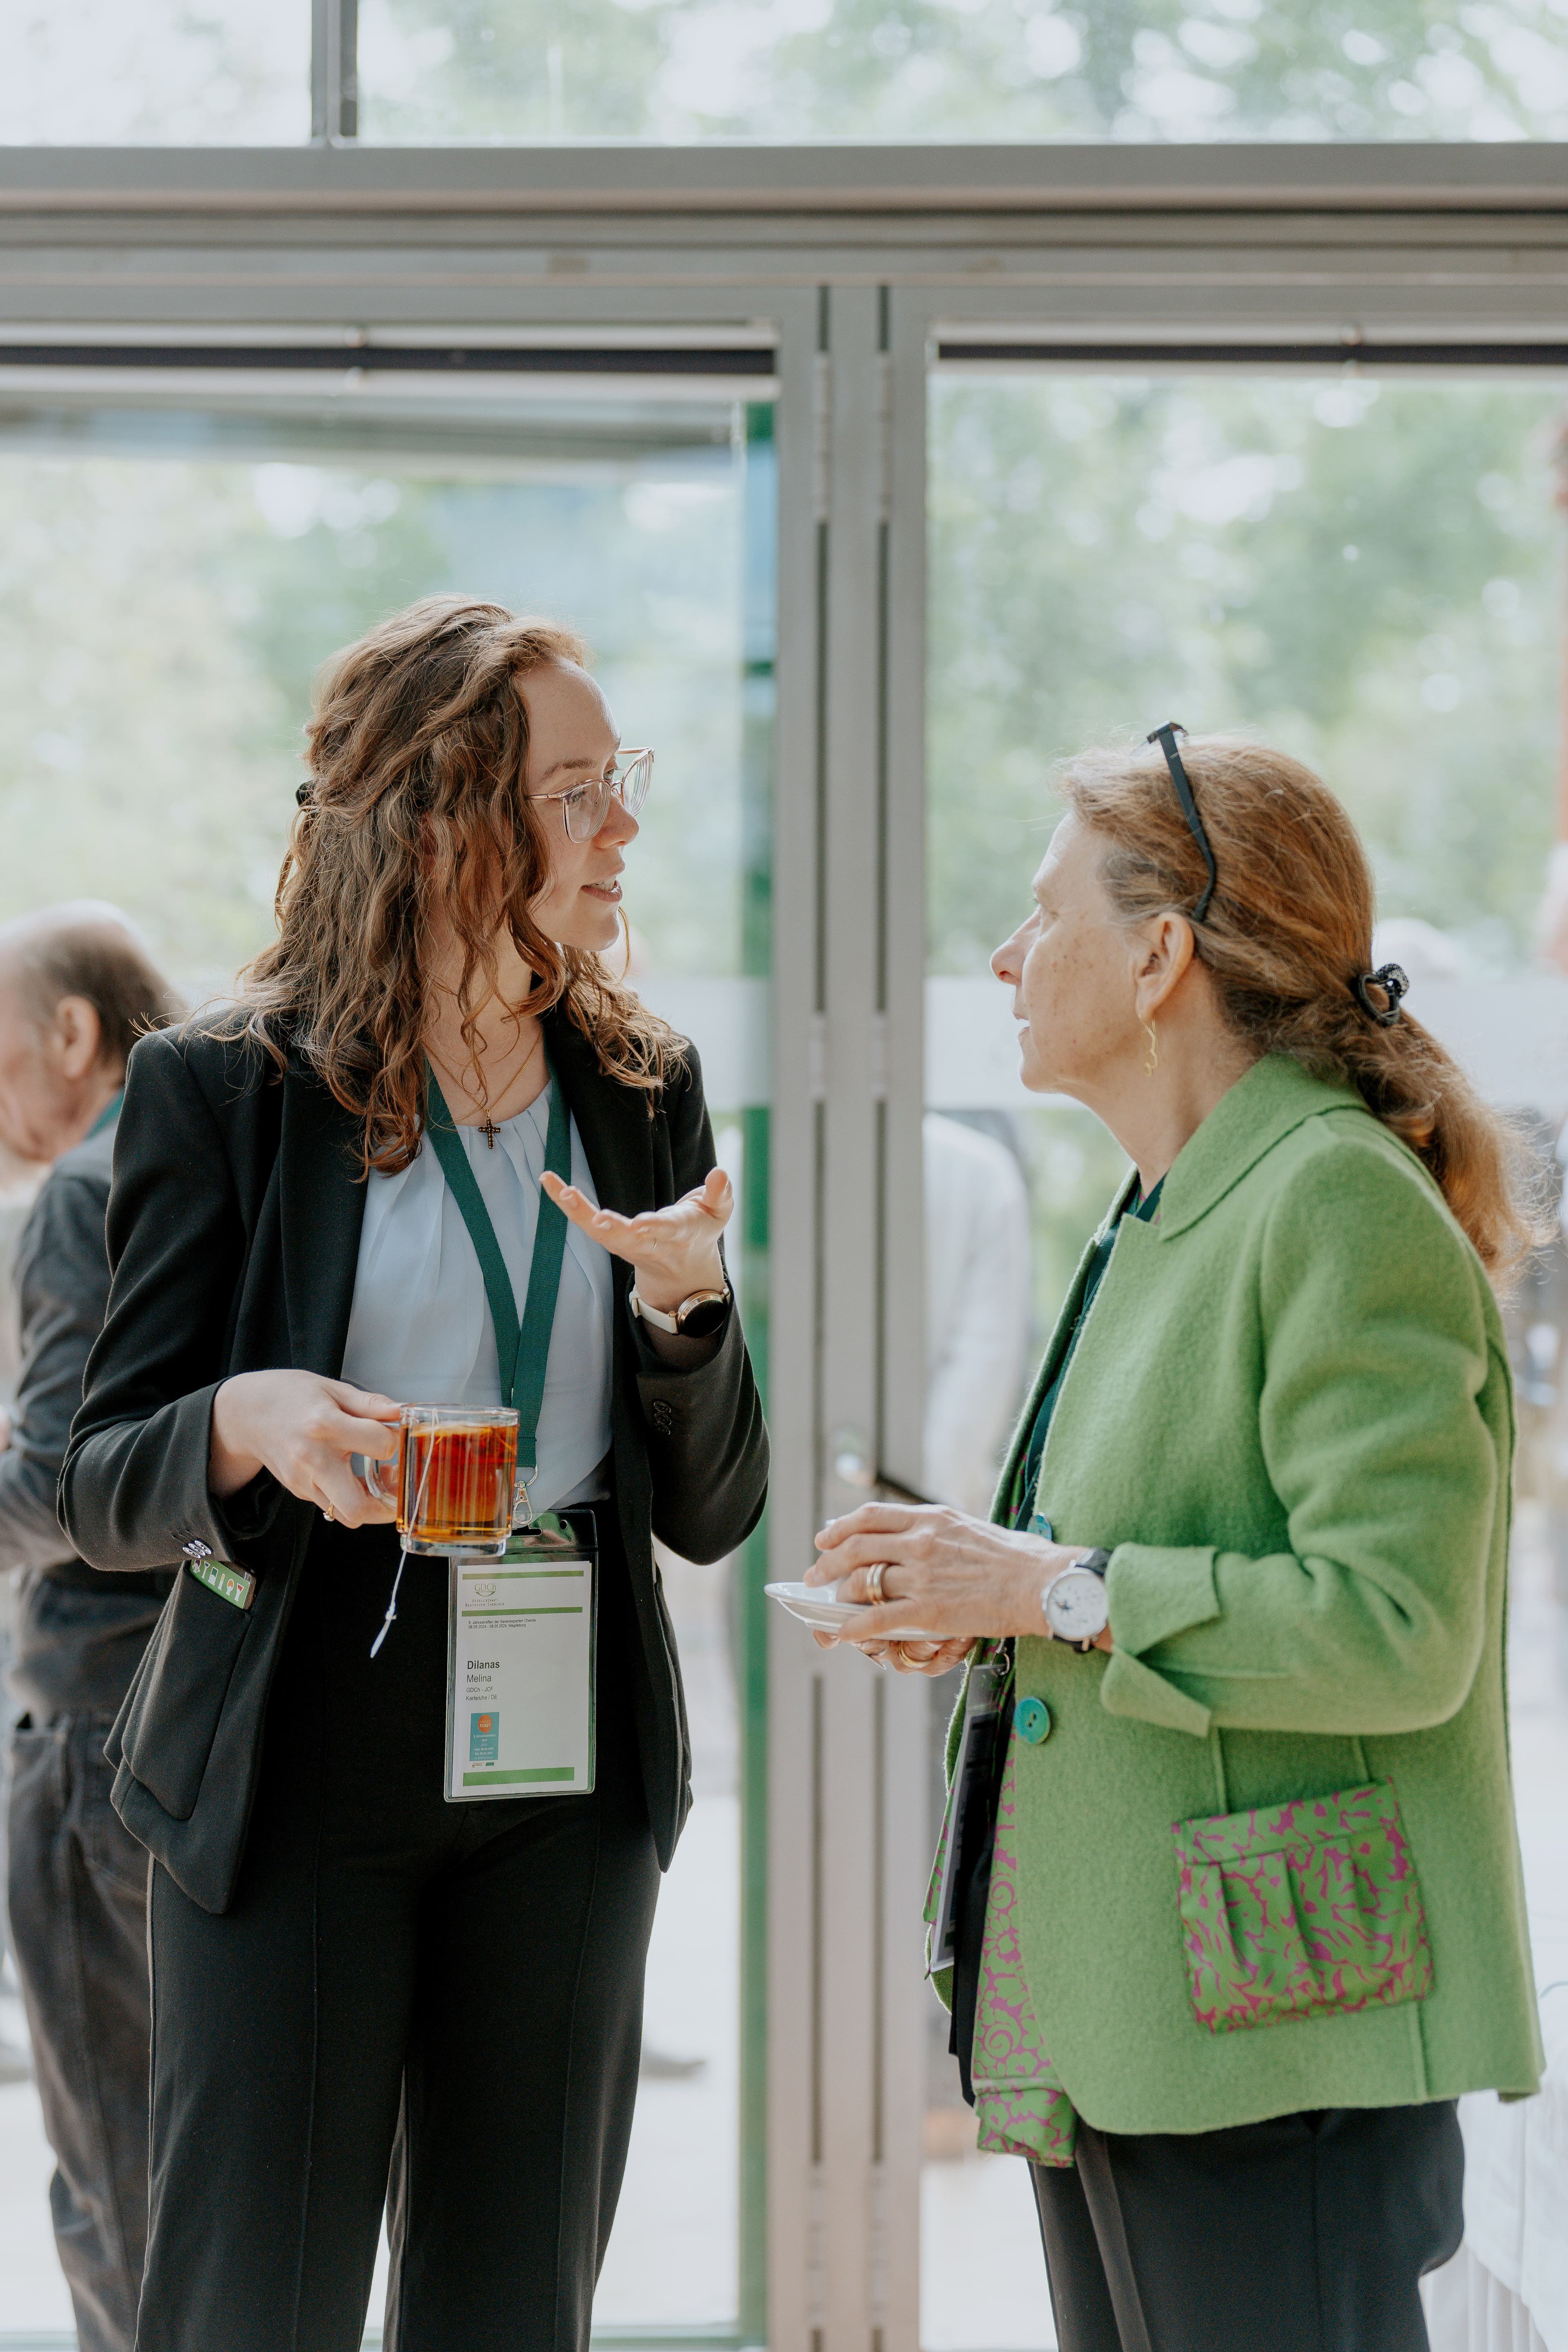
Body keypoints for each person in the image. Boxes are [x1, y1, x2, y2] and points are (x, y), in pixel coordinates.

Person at [59, 597, 769, 2352]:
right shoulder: (222, 1090)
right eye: (578, 790)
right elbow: (94, 1473)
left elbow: (712, 1508)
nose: (624, 830)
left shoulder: (641, 1084)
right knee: (254, 2305)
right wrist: (251, 1421)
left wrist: (688, 1315)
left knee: (515, 2304)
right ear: (446, 816)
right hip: (300, 1744)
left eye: (627, 783)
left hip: (566, 1756)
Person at [807, 729, 1542, 2352]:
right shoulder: (1164, 1204)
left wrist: (1049, 1590)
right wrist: (984, 1599)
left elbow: (1399, 1627)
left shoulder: (1331, 1203)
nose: (1004, 956)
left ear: (1160, 957)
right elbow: (1137, 1570)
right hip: (1140, 2011)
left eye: (1040, 911)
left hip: (1272, 2039)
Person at [0, 904, 178, 2352]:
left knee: (113, 2181)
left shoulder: (82, 1191)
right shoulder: (244, 1167)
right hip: (212, 1730)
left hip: (93, 1728)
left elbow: (65, 1481)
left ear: (72, 1030)